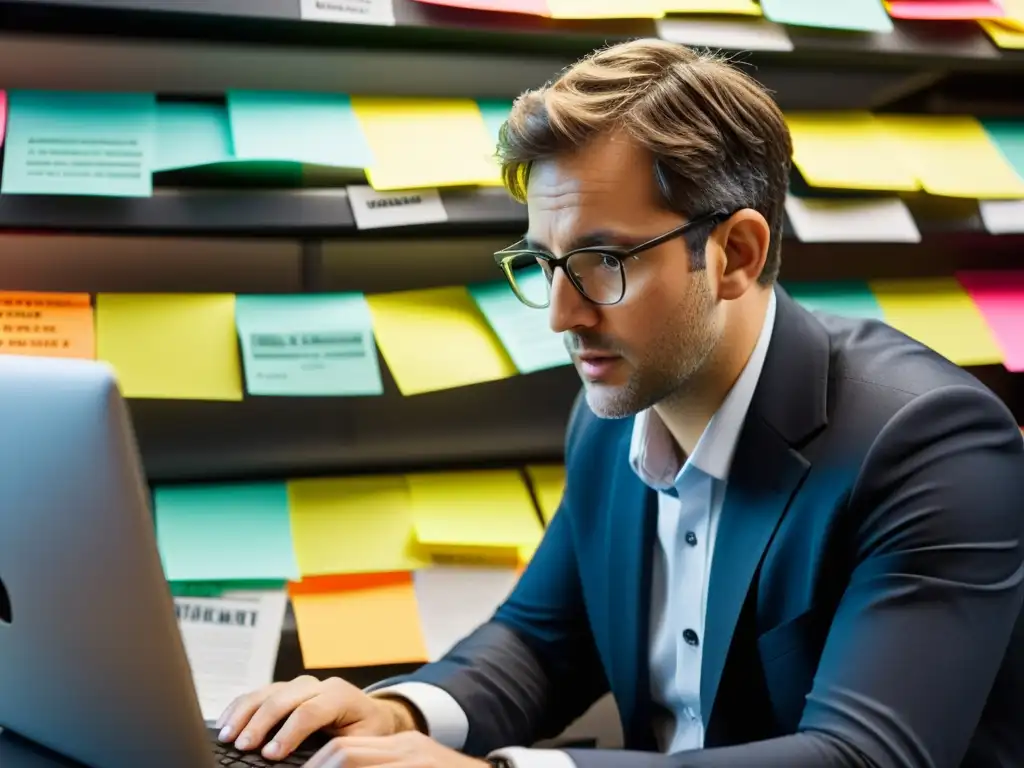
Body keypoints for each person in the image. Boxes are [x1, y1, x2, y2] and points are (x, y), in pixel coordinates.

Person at [215, 38, 1024, 768]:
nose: (563, 315)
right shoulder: (618, 407)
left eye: (603, 259)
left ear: (736, 253)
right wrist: (397, 712)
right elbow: (540, 641)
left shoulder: (930, 443)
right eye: (544, 262)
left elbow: (865, 757)